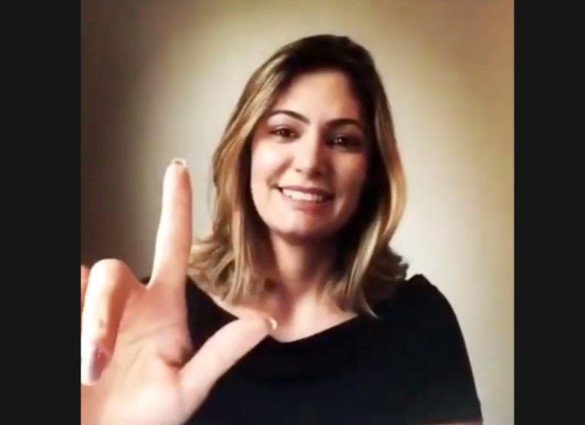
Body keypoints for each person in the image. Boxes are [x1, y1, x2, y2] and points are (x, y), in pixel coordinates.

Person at [81, 34, 483, 425]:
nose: (310, 162)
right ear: (245, 153)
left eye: (342, 140)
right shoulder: (148, 329)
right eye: (284, 131)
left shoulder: (419, 322)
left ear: (371, 173)